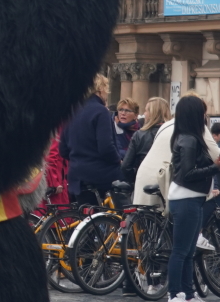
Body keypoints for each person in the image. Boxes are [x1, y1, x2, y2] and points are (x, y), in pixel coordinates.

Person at [153, 94, 219, 302]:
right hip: (186, 197)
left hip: (192, 197)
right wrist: (215, 168)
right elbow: (188, 173)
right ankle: (174, 297)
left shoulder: (186, 137)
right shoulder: (189, 140)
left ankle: (188, 294)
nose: (205, 116)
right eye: (203, 112)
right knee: (181, 251)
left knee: (189, 251)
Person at [58, 75, 120, 205]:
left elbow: (63, 149)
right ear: (100, 89)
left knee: (86, 218)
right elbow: (106, 147)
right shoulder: (100, 111)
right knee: (120, 210)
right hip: (100, 175)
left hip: (77, 174)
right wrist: (118, 160)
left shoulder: (71, 110)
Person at [114, 97, 169, 191]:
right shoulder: (174, 133)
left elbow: (126, 167)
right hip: (167, 183)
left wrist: (136, 176)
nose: (144, 114)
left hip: (144, 183)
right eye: (121, 110)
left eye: (146, 110)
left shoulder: (139, 135)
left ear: (153, 113)